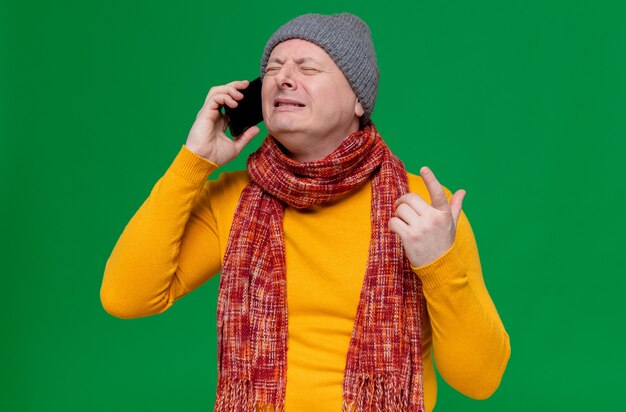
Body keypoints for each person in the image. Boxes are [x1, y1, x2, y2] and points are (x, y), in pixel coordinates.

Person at [101, 13, 510, 412]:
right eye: (275, 67)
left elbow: (480, 381)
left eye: (308, 67)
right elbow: (126, 297)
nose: (283, 77)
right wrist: (194, 161)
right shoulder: (233, 199)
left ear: (357, 101)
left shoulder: (423, 210)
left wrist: (439, 264)